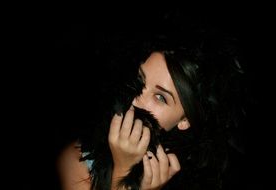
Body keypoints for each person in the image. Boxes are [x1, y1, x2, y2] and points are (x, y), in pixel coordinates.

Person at [56, 23, 248, 190]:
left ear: (184, 120)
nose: (135, 99)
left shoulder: (197, 177)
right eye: (139, 80)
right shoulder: (76, 160)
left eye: (160, 97)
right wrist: (123, 173)